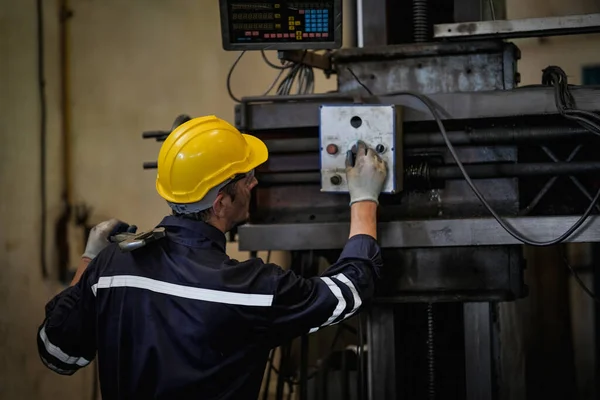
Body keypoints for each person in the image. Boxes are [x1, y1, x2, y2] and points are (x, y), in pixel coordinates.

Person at [36, 115, 388, 399]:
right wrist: (364, 197)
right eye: (246, 177)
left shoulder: (112, 268)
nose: (254, 183)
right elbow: (350, 288)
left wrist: (90, 257)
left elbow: (56, 351)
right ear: (221, 201)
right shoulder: (248, 288)